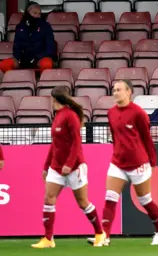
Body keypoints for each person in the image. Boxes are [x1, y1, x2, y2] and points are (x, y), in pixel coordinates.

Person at [92, 80, 158, 247]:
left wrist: (152, 162)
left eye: (119, 90)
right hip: (118, 162)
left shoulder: (138, 113)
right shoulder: (111, 113)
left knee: (145, 200)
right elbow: (114, 136)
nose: (115, 92)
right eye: (114, 90)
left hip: (138, 163)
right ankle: (104, 235)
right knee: (110, 197)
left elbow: (147, 139)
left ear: (129, 92)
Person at [31, 87, 106, 249]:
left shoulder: (70, 116)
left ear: (58, 100)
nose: (51, 102)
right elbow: (55, 144)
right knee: (48, 199)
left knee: (83, 202)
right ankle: (48, 238)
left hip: (75, 167)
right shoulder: (57, 116)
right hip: (56, 167)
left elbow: (76, 143)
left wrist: (69, 164)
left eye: (52, 99)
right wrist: (46, 166)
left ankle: (99, 233)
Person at [0, 2, 56, 73]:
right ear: (27, 13)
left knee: (47, 64)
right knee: (4, 64)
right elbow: (16, 47)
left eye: (39, 14)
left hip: (39, 58)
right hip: (23, 59)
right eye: (35, 13)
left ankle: (41, 82)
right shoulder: (20, 27)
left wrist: (36, 58)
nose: (37, 16)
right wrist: (18, 59)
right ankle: (14, 80)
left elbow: (50, 48)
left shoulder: (45, 27)